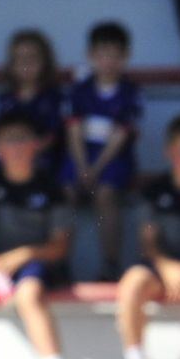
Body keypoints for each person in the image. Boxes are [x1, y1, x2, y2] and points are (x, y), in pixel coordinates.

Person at [0, 111, 72, 359]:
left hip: (36, 264)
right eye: (8, 140)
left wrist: (24, 254)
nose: (16, 147)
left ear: (36, 144)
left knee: (29, 293)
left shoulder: (51, 187)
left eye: (22, 139)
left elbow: (59, 247)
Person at [116, 111, 180, 359]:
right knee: (132, 282)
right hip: (161, 267)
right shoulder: (153, 191)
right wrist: (168, 268)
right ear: (170, 151)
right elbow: (149, 242)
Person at [62, 21, 142, 281]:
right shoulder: (80, 90)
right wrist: (83, 167)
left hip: (115, 158)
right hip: (81, 156)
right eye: (102, 54)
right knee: (65, 192)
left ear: (125, 57)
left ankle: (110, 263)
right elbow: (73, 132)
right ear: (91, 56)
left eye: (115, 55)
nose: (108, 61)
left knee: (106, 194)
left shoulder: (131, 92)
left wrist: (94, 170)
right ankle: (60, 263)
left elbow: (120, 136)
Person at [0, 28, 64, 173]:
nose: (26, 64)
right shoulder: (5, 100)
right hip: (10, 160)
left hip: (44, 161)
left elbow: (54, 136)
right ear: (11, 64)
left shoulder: (54, 98)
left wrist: (26, 150)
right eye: (20, 58)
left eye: (32, 58)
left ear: (45, 62)